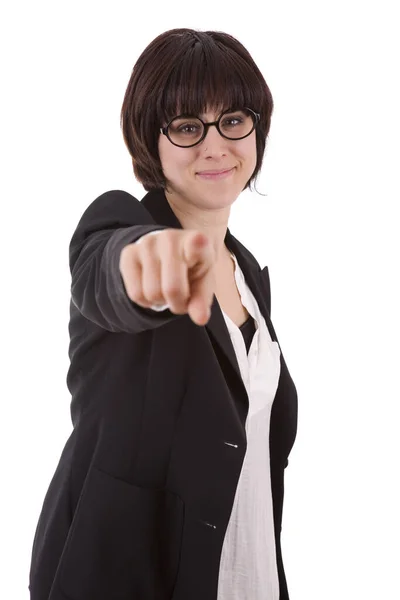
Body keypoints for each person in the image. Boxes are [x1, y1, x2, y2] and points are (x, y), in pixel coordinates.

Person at [28, 27, 298, 600]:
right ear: (150, 140)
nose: (215, 145)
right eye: (185, 126)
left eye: (233, 120)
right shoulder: (122, 228)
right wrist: (141, 265)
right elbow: (106, 271)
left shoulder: (247, 276)